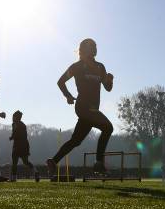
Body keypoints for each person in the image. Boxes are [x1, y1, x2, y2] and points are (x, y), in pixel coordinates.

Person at [46, 38, 114, 176]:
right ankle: (99, 163)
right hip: (83, 107)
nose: (94, 48)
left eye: (95, 45)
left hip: (93, 109)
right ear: (83, 49)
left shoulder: (100, 67)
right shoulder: (76, 66)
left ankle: (53, 161)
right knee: (108, 127)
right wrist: (68, 96)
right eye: (91, 46)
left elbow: (107, 88)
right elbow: (60, 82)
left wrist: (110, 80)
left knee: (76, 141)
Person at [9, 110, 39, 182]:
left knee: (14, 162)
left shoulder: (16, 124)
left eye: (13, 116)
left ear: (16, 117)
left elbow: (16, 134)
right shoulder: (20, 125)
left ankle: (13, 178)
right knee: (25, 162)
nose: (12, 118)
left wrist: (12, 137)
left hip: (18, 146)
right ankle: (36, 172)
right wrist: (13, 137)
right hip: (24, 145)